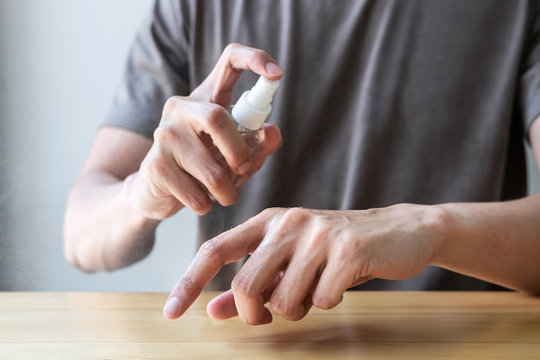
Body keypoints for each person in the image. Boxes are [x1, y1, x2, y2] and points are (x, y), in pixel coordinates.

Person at [64, 0, 540, 326]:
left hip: (459, 342)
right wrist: (143, 193)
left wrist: (429, 226)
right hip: (256, 339)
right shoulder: (192, 7)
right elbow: (81, 235)